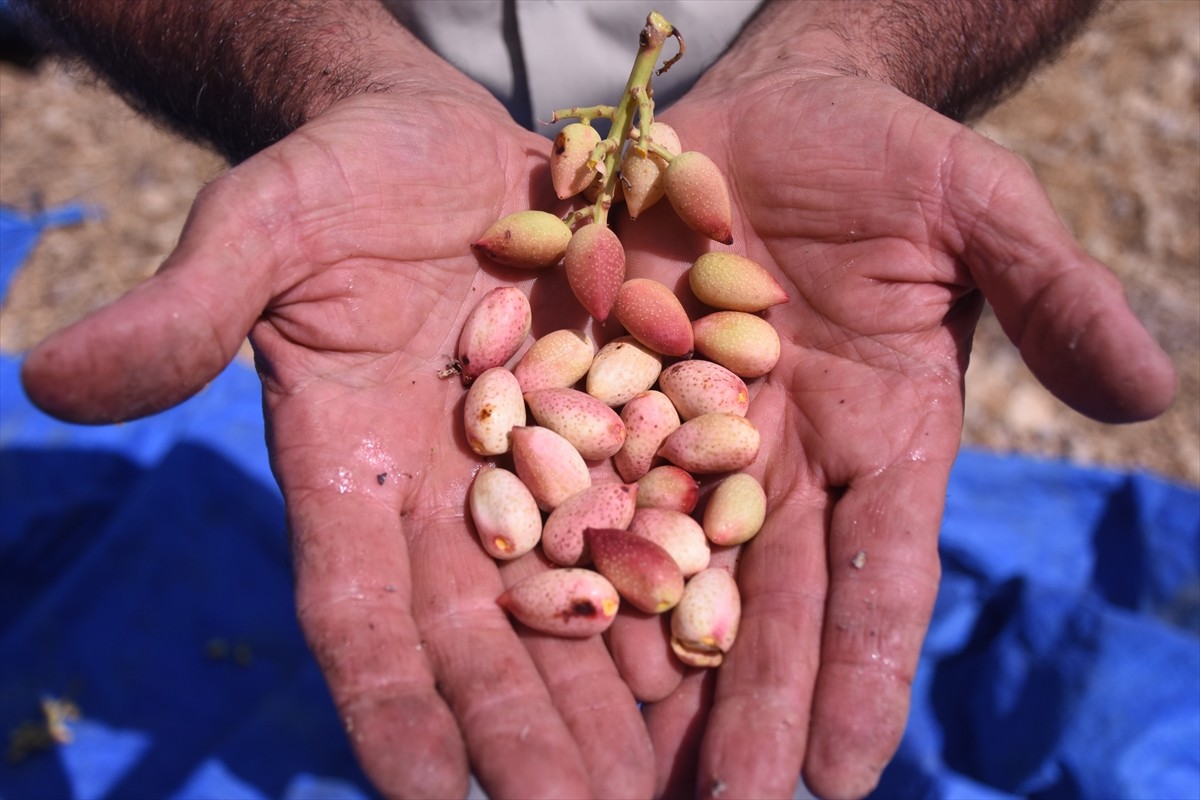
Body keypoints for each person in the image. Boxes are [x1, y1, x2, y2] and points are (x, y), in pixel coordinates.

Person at [15, 1, 1177, 798]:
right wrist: (322, 74)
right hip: (390, 143)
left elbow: (637, 426)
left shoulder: (664, 336)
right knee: (421, 652)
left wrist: (855, 49)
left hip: (786, 115)